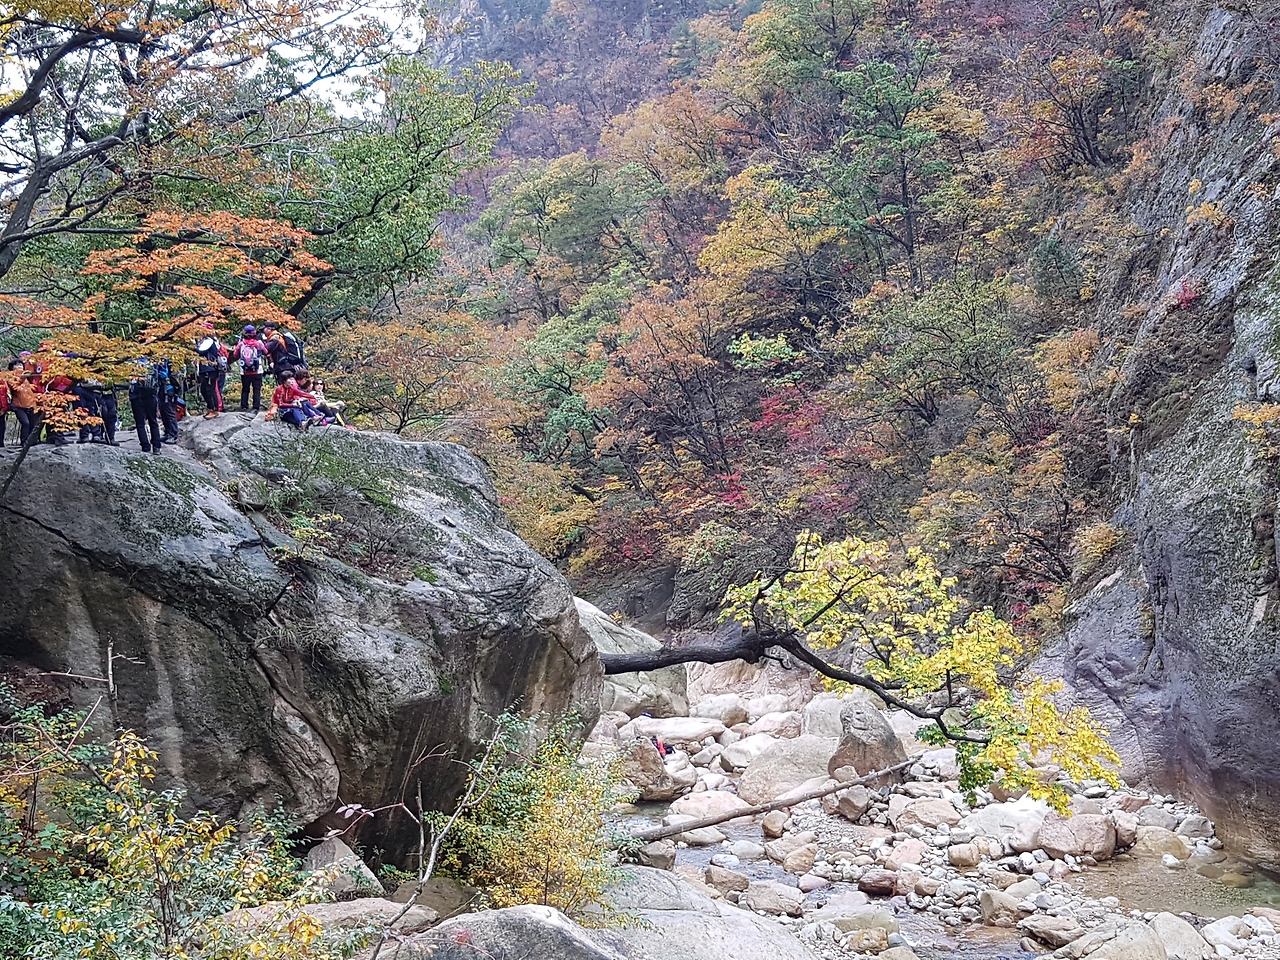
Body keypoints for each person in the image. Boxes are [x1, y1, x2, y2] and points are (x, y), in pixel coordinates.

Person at [129, 359, 165, 454]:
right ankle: (156, 447)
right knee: (153, 421)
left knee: (140, 423)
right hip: (151, 395)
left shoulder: (133, 361)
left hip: (136, 396)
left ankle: (145, 446)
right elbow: (162, 375)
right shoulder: (154, 361)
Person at [231, 325, 269, 413]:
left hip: (244, 371)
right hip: (257, 370)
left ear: (244, 333)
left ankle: (244, 406)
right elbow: (266, 352)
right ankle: (256, 407)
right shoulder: (258, 343)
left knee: (245, 389)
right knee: (257, 389)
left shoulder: (241, 344)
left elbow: (235, 355)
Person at [195, 328, 228, 418]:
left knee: (210, 389)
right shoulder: (204, 341)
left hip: (210, 369)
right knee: (204, 390)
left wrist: (193, 346)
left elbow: (200, 351)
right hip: (205, 369)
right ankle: (210, 408)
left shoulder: (209, 341)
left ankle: (214, 409)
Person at [8, 360, 41, 447]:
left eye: (21, 365)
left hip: (30, 404)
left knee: (33, 424)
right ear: (12, 367)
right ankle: (24, 442)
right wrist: (22, 378)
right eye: (17, 365)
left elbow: (30, 391)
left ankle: (31, 442)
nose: (19, 367)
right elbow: (14, 387)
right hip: (18, 405)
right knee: (25, 423)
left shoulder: (27, 378)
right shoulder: (10, 377)